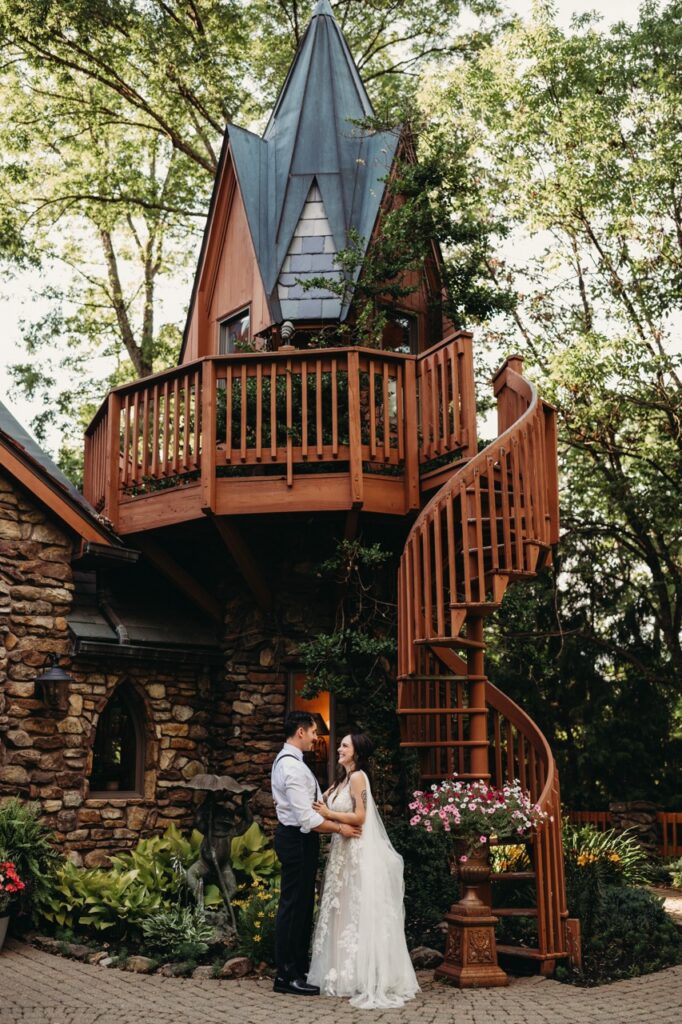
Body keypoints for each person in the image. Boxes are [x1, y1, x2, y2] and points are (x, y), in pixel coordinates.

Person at [307, 732, 420, 1009]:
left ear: (356, 752)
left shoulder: (359, 778)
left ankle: (360, 974)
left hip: (355, 853)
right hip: (340, 853)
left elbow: (361, 817)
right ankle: (340, 973)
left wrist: (330, 814)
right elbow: (319, 805)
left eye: (344, 745)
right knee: (339, 909)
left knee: (354, 910)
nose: (339, 749)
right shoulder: (341, 780)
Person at [271, 711, 361, 996]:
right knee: (293, 907)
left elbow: (316, 804)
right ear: (300, 732)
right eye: (312, 732)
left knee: (301, 906)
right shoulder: (292, 768)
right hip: (297, 839)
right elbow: (308, 819)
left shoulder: (294, 763)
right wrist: (339, 828)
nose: (315, 738)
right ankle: (285, 975)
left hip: (299, 840)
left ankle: (297, 968)